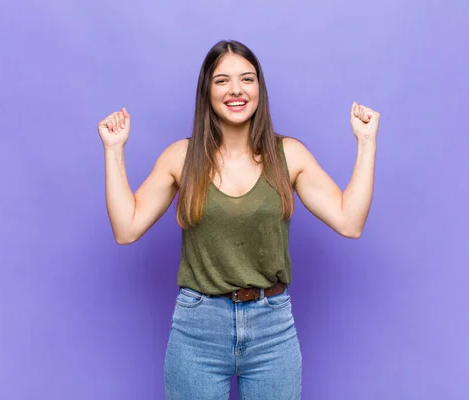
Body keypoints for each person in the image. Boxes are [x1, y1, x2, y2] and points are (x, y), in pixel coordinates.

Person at [97, 40, 380, 400]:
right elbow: (126, 228)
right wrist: (113, 150)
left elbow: (349, 222)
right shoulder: (181, 157)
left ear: (259, 88)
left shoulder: (289, 155)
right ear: (207, 91)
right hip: (198, 328)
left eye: (247, 79)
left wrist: (366, 143)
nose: (236, 90)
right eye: (222, 80)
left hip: (271, 328)